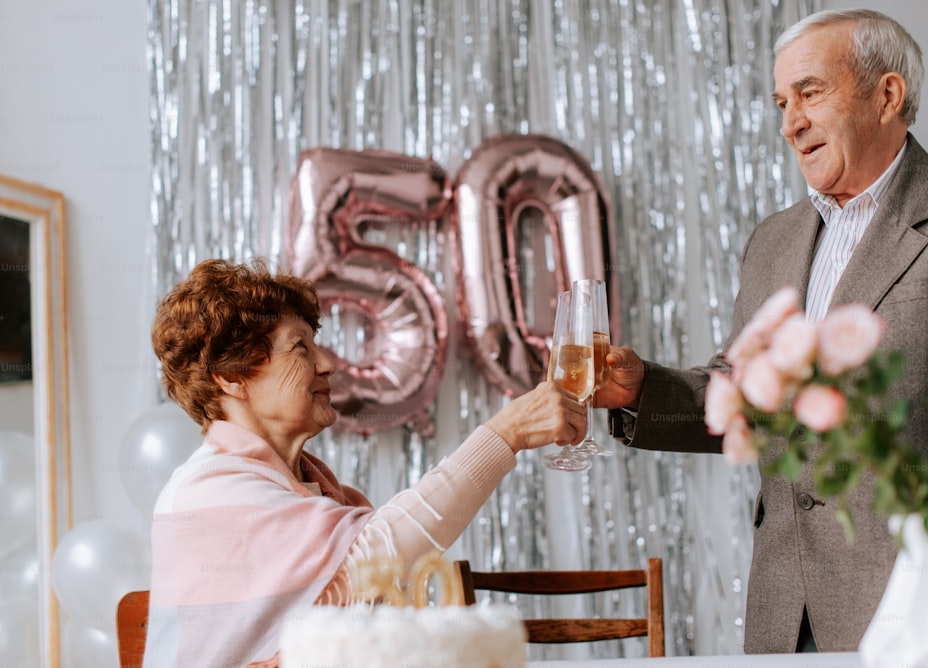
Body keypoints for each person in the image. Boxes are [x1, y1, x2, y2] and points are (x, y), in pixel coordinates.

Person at [594, 8, 927, 655]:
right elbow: (749, 397)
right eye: (781, 102)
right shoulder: (774, 241)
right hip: (785, 605)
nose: (790, 122)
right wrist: (641, 391)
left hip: (907, 611)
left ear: (887, 95)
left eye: (810, 92)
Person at [141, 258, 586, 667]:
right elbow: (378, 555)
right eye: (300, 348)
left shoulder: (312, 492)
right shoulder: (207, 490)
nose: (327, 363)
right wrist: (507, 433)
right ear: (232, 376)